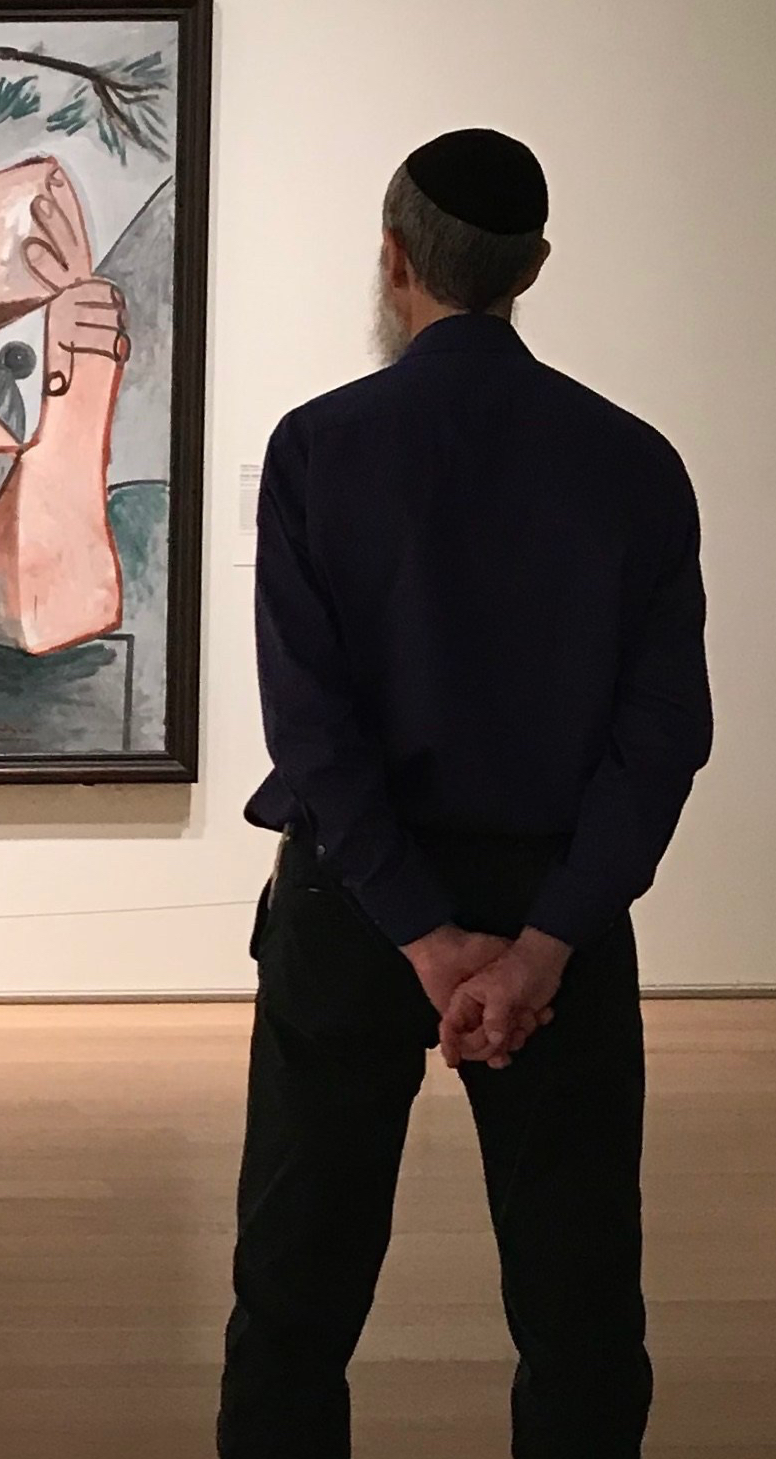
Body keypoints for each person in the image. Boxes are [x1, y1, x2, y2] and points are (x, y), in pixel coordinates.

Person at [217, 128, 712, 1457]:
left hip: (353, 908)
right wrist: (543, 944)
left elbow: (311, 729)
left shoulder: (319, 447)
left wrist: (425, 937)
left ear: (393, 260)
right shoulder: (634, 463)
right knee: (578, 1303)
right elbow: (663, 734)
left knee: (294, 1295)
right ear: (530, 270)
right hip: (559, 909)